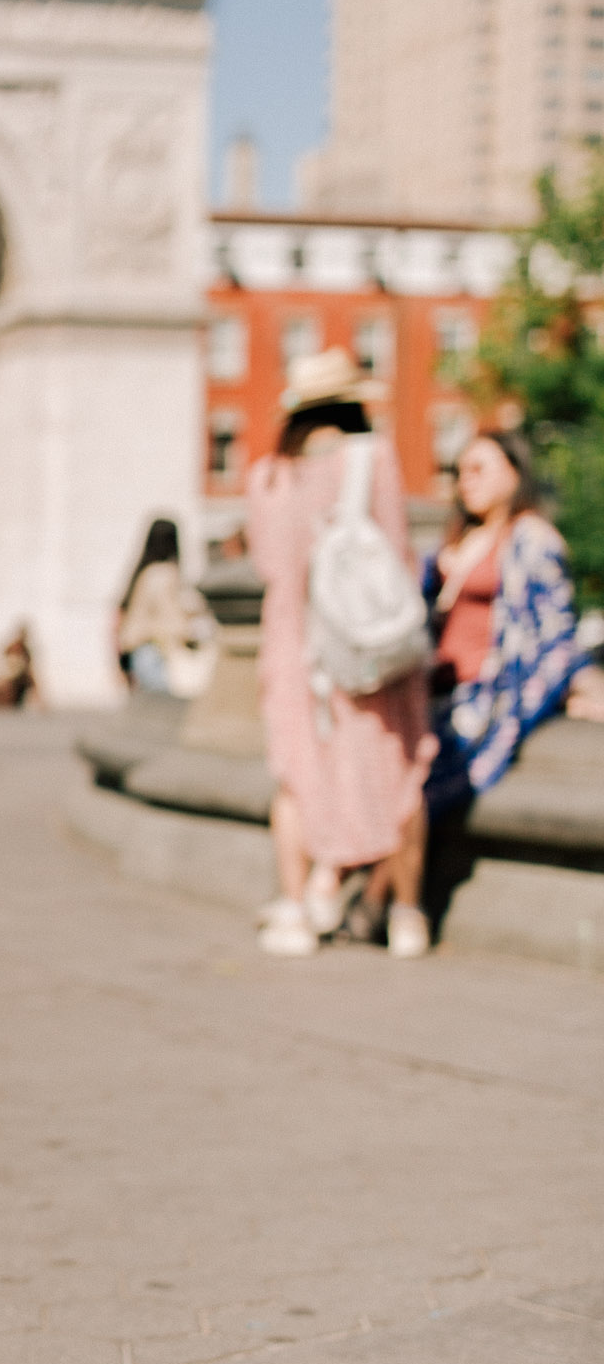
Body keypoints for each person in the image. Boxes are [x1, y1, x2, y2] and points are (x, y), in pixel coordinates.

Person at [247, 347, 433, 960]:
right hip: (368, 648)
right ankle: (406, 914)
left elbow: (270, 568)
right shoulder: (373, 457)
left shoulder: (269, 476)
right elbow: (399, 554)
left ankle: (300, 909)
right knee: (396, 775)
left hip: (298, 653)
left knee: (298, 781)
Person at [426, 428, 594, 816]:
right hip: (433, 694)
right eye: (460, 471)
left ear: (514, 473)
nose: (465, 480)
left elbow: (555, 631)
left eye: (479, 469)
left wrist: (578, 686)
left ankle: (332, 878)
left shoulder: (533, 539)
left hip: (480, 701)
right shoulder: (459, 539)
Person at [117, 518, 216, 699]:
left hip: (139, 653)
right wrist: (191, 633)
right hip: (156, 653)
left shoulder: (145, 572)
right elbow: (171, 618)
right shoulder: (165, 573)